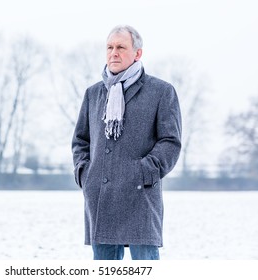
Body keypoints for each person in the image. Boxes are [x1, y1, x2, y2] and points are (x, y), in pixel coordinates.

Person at [71, 25, 182, 260]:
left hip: (140, 195)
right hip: (101, 196)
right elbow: (81, 140)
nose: (114, 53)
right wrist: (85, 173)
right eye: (110, 47)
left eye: (121, 47)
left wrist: (145, 171)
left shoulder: (161, 91)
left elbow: (170, 142)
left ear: (137, 53)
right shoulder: (94, 93)